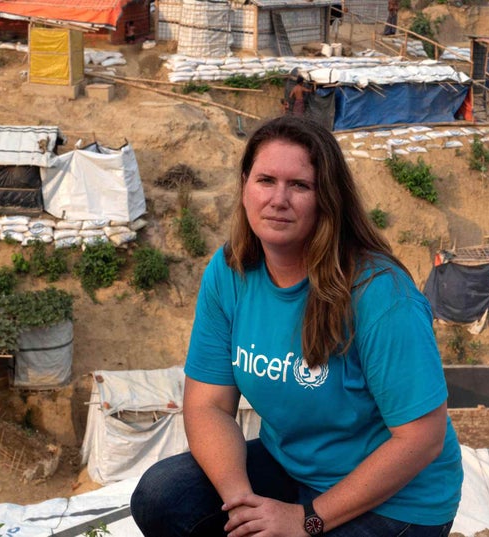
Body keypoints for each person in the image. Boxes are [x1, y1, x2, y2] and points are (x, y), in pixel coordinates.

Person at [131, 116, 463, 537]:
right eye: (266, 180)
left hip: (399, 500)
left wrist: (305, 520)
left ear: (327, 198)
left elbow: (422, 438)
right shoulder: (231, 271)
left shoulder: (381, 294)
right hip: (292, 469)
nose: (278, 199)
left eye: (300, 186)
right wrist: (242, 506)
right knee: (162, 495)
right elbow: (207, 405)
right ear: (245, 186)